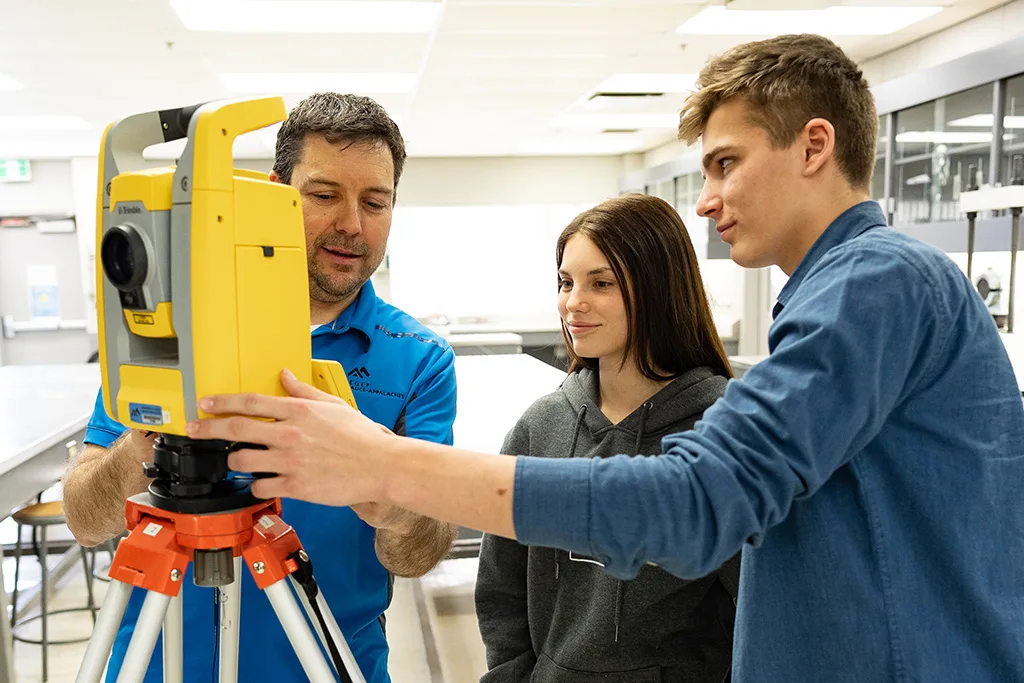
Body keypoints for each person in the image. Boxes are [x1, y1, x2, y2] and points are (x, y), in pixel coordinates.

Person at [185, 35, 1024, 683]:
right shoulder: (832, 295)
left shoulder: (876, 280)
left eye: (725, 163)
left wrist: (384, 462)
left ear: (813, 146)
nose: (706, 197)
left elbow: (692, 502)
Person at [62, 92, 459, 683]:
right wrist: (139, 453)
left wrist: (387, 483)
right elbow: (85, 519)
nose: (352, 224)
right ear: (273, 194)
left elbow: (418, 555)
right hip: (162, 664)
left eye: (375, 202)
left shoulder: (419, 358)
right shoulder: (176, 333)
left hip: (331, 663)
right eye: (323, 195)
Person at [475, 194, 740, 682]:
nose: (573, 302)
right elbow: (501, 593)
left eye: (602, 283)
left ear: (659, 291)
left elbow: (757, 606)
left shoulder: (726, 431)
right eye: (566, 282)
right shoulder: (540, 427)